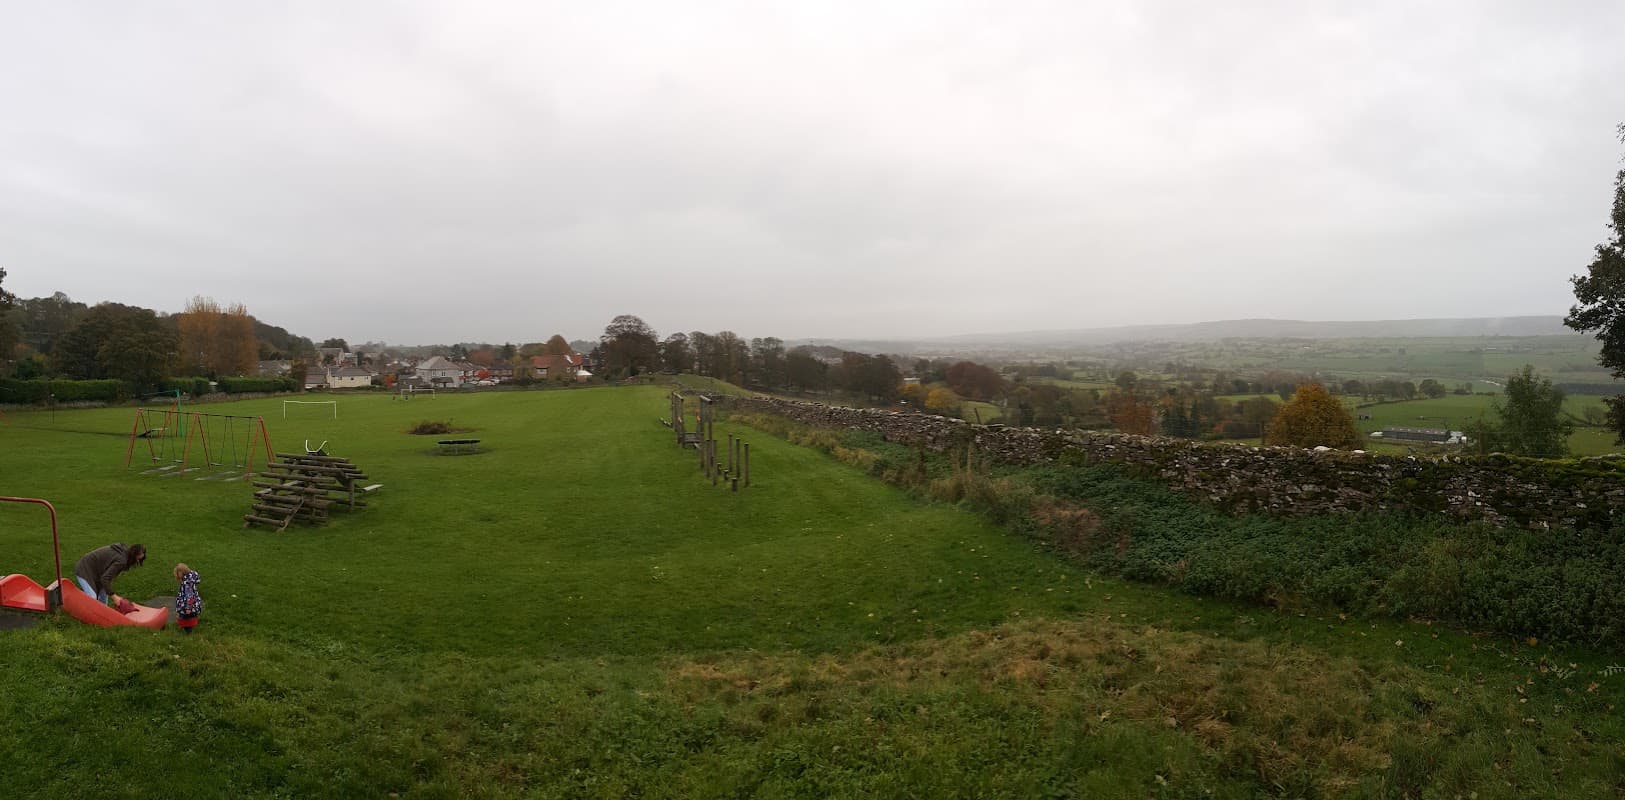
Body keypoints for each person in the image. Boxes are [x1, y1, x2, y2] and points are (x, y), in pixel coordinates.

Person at [73, 542, 146, 606]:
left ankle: (103, 612)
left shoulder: (124, 551)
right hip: (84, 568)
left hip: (97, 571)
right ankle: (78, 605)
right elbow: (105, 579)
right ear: (133, 555)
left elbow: (106, 578)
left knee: (104, 594)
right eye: (137, 559)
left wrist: (109, 591)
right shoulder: (121, 561)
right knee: (92, 598)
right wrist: (114, 597)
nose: (136, 562)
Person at [173, 563, 202, 634]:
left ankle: (188, 630)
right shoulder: (191, 577)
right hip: (193, 602)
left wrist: (188, 607)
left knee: (186, 617)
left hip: (187, 604)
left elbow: (189, 596)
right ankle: (188, 626)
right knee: (191, 615)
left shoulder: (187, 584)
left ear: (181, 574)